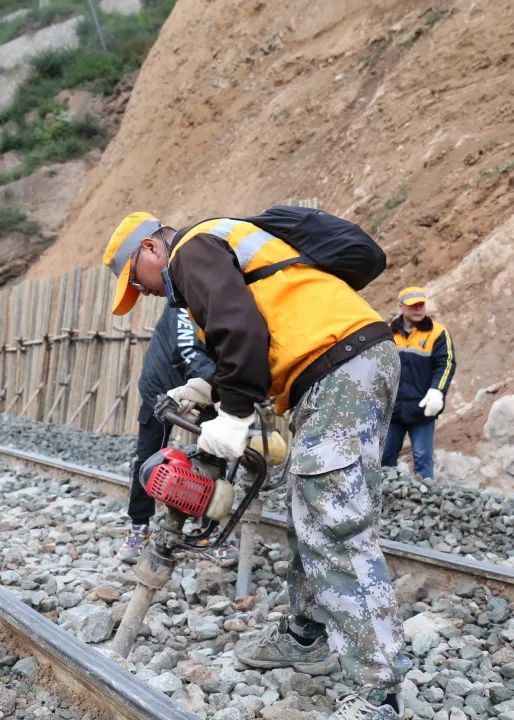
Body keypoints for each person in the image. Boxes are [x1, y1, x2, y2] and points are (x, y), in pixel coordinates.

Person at [103, 211, 411, 718]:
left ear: (151, 250)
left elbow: (239, 329)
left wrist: (234, 413)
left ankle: (380, 692)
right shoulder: (215, 250)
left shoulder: (191, 250)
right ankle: (306, 634)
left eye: (139, 282)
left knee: (336, 528)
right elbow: (250, 330)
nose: (148, 293)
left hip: (340, 368)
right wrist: (209, 388)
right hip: (342, 368)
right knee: (310, 512)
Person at [117, 303, 215, 563]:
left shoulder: (229, 296)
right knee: (149, 457)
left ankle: (209, 530)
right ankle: (139, 526)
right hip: (162, 388)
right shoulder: (185, 300)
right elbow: (188, 350)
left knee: (213, 456)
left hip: (203, 386)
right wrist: (221, 387)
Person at [381, 286, 456, 481]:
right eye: (412, 305)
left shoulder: (437, 333)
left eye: (420, 305)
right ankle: (385, 498)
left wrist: (437, 391)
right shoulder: (389, 333)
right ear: (401, 307)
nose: (418, 309)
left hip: (422, 408)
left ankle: (426, 501)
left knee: (422, 457)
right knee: (384, 457)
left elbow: (446, 363)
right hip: (393, 410)